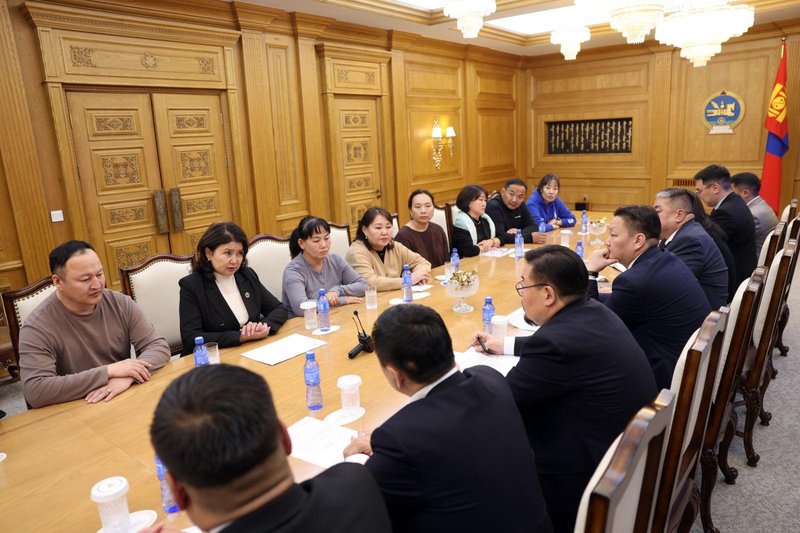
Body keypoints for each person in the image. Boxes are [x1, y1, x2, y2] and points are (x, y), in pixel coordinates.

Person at [472, 245, 656, 533]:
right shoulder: (593, 311)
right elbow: (561, 345)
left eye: (523, 285)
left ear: (548, 294)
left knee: (479, 452)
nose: (521, 294)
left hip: (583, 476)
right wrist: (504, 345)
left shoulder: (555, 343)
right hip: (623, 459)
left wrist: (467, 374)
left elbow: (502, 403)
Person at [344, 304, 552, 533]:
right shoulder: (490, 379)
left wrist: (354, 460)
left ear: (395, 374)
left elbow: (356, 506)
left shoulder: (401, 439)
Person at [147, 364, 392, 533]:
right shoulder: (357, 483)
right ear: (285, 437)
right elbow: (351, 472)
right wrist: (354, 458)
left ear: (177, 492)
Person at [19, 241, 170, 408]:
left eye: (99, 274)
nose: (97, 285)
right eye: (85, 279)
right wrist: (108, 372)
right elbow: (36, 390)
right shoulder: (37, 327)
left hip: (122, 397)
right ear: (58, 282)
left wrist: (129, 376)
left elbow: (158, 346)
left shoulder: (120, 303)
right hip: (75, 408)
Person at [586, 205, 710, 389]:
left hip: (663, 378)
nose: (607, 241)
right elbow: (621, 304)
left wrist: (591, 273)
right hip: (691, 367)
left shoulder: (634, 281)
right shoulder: (666, 258)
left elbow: (594, 326)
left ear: (638, 240)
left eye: (613, 235)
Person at [179, 221, 287, 356]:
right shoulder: (192, 286)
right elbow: (191, 339)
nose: (235, 260)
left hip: (252, 350)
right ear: (209, 253)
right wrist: (240, 336)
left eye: (239, 253)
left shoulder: (247, 275)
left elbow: (278, 309)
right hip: (214, 358)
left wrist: (262, 326)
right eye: (228, 253)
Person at [654, 188, 728, 309]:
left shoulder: (690, 240)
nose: (652, 218)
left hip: (700, 317)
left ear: (679, 215)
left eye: (657, 211)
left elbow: (666, 286)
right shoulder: (683, 233)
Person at [283, 216, 366, 317]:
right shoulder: (293, 271)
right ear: (301, 243)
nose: (323, 245)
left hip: (336, 316)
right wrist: (342, 300)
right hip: (305, 323)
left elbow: (364, 286)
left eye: (326, 238)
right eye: (316, 240)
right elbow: (301, 308)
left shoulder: (336, 260)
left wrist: (337, 290)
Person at [694, 164, 757, 290]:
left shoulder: (725, 213)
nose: (699, 196)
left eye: (699, 191)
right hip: (744, 271)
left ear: (715, 188)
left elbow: (709, 246)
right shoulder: (735, 201)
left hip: (734, 281)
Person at [345, 206, 431, 291]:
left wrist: (419, 275)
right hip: (370, 299)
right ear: (365, 229)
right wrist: (408, 280)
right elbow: (369, 282)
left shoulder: (394, 246)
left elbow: (422, 262)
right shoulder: (356, 252)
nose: (385, 232)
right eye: (378, 228)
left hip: (396, 297)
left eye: (388, 227)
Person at [690, 194, 738, 302]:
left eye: (659, 211)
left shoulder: (695, 239)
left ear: (680, 214)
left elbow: (678, 281)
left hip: (716, 305)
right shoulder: (706, 226)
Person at [394, 189, 450, 267]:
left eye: (428, 206)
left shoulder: (438, 230)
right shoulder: (403, 236)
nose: (423, 211)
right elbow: (403, 269)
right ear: (410, 211)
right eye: (418, 207)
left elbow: (446, 261)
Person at [486, 178, 547, 245]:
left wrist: (519, 232)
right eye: (511, 194)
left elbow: (533, 226)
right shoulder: (493, 206)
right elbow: (500, 236)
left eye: (520, 197)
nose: (514, 200)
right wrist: (529, 238)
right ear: (503, 191)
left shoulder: (521, 205)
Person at [731, 172, 779, 255]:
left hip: (753, 259)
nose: (730, 197)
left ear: (745, 193)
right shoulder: (761, 204)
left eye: (732, 193)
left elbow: (733, 241)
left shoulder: (753, 215)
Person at [451, 184, 502, 257]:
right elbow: (467, 250)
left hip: (484, 259)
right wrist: (486, 246)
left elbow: (502, 237)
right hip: (465, 262)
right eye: (480, 200)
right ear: (468, 202)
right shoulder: (461, 222)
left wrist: (491, 241)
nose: (484, 204)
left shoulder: (485, 219)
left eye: (485, 200)